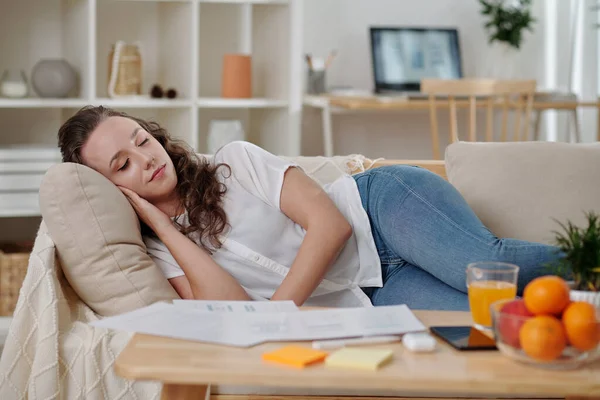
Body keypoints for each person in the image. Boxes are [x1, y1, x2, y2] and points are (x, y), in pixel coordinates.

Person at [57, 105, 563, 310]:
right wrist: (160, 226)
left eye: (142, 140)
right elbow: (230, 308)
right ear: (111, 190)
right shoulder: (162, 256)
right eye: (122, 166)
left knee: (480, 265)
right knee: (491, 321)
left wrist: (277, 315)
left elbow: (331, 224)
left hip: (380, 212)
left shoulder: (232, 162)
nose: (146, 160)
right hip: (370, 294)